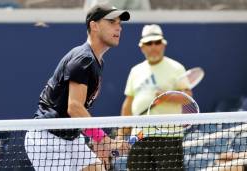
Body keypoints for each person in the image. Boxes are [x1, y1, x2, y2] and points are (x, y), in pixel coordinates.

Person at [24, 3, 130, 171]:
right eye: (111, 22)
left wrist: (99, 141)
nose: (119, 28)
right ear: (93, 26)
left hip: (71, 137)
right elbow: (74, 107)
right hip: (48, 138)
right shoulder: (84, 59)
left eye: (120, 23)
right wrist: (105, 140)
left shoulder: (96, 61)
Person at [119, 24, 192, 170]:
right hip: (139, 136)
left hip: (169, 137)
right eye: (149, 43)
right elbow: (128, 104)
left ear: (163, 45)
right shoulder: (135, 71)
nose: (153, 46)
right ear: (142, 47)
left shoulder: (176, 67)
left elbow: (187, 97)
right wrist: (121, 134)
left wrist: (167, 97)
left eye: (157, 42)